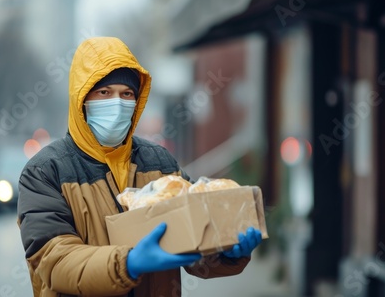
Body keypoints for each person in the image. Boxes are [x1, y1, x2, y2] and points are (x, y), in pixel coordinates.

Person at [17, 37, 262, 297]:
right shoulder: (45, 172)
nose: (118, 103)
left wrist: (225, 251)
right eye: (104, 92)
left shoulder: (160, 164)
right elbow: (55, 262)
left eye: (127, 94)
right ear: (82, 99)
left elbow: (194, 243)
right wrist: (128, 264)